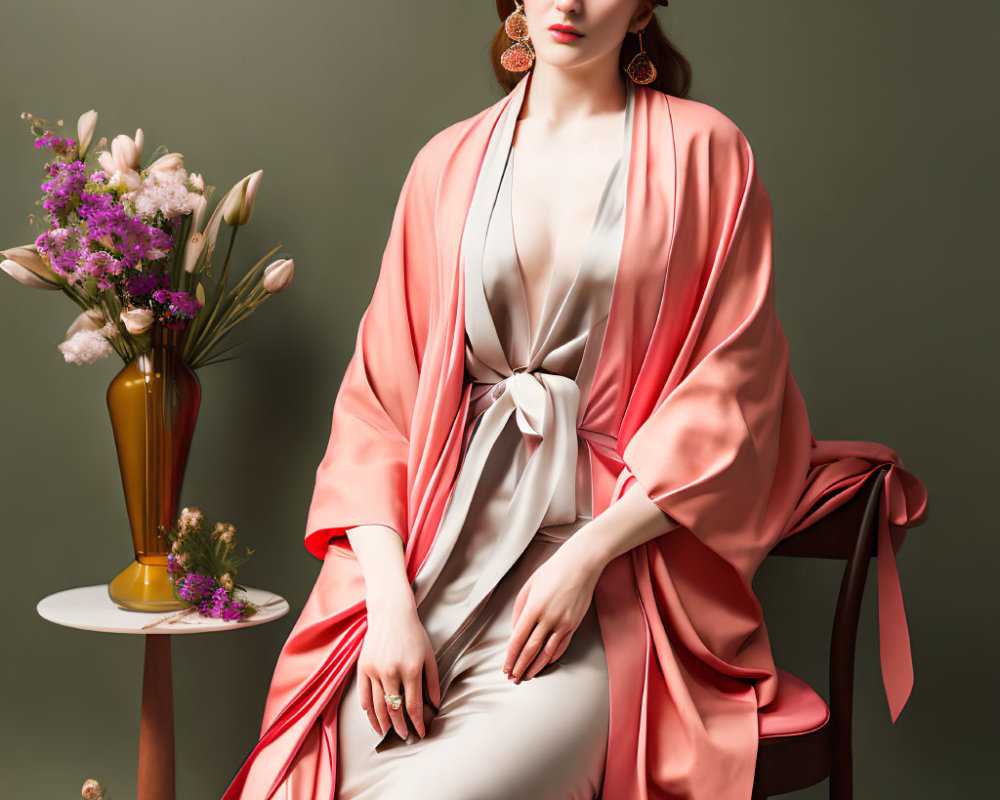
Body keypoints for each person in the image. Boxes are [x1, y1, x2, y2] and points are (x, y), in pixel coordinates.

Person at [222, 2, 929, 799]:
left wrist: (587, 559)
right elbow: (377, 405)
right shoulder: (444, 165)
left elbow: (738, 385)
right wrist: (389, 605)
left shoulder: (705, 152)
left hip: (606, 589)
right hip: (433, 567)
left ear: (645, 6)